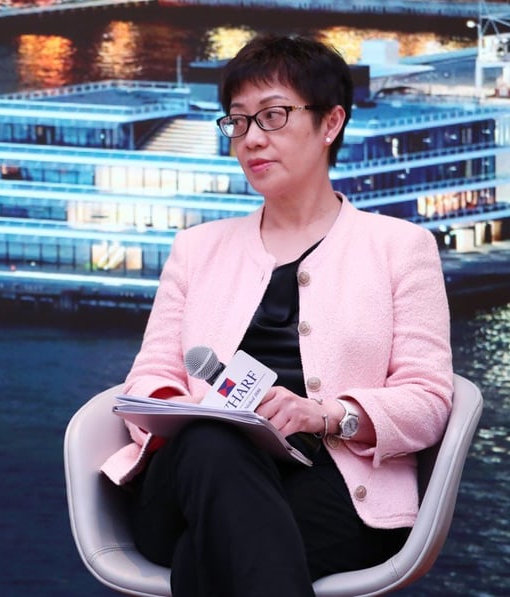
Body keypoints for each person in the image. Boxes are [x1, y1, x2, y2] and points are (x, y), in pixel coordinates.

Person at [99, 34, 453, 596]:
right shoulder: (198, 247)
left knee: (211, 554)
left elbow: (429, 402)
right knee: (215, 446)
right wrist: (197, 412)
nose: (250, 140)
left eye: (273, 117)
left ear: (331, 123)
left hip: (338, 491)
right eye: (237, 122)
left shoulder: (400, 247)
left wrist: (325, 414)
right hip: (189, 481)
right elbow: (150, 379)